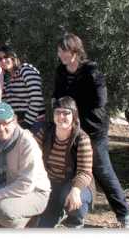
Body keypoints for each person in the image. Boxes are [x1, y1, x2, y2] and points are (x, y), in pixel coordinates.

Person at [52, 33, 129, 228]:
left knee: (103, 172)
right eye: (59, 51)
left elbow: (99, 100)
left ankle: (125, 217)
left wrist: (70, 104)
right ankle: (59, 214)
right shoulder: (61, 71)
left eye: (65, 50)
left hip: (93, 131)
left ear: (76, 50)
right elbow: (57, 94)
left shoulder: (91, 70)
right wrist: (56, 103)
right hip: (71, 131)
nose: (61, 54)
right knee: (63, 171)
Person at [35, 97, 95, 228]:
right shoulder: (45, 134)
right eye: (57, 112)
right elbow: (30, 150)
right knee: (43, 225)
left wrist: (76, 189)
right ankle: (58, 214)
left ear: (74, 115)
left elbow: (85, 172)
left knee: (74, 202)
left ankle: (76, 221)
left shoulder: (81, 138)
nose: (61, 116)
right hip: (51, 187)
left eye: (66, 113)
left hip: (73, 185)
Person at [0, 45, 45, 133]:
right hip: (16, 125)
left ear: (12, 57)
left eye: (6, 56)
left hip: (35, 122)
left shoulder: (26, 71)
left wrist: (27, 123)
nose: (3, 60)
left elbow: (36, 99)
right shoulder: (5, 79)